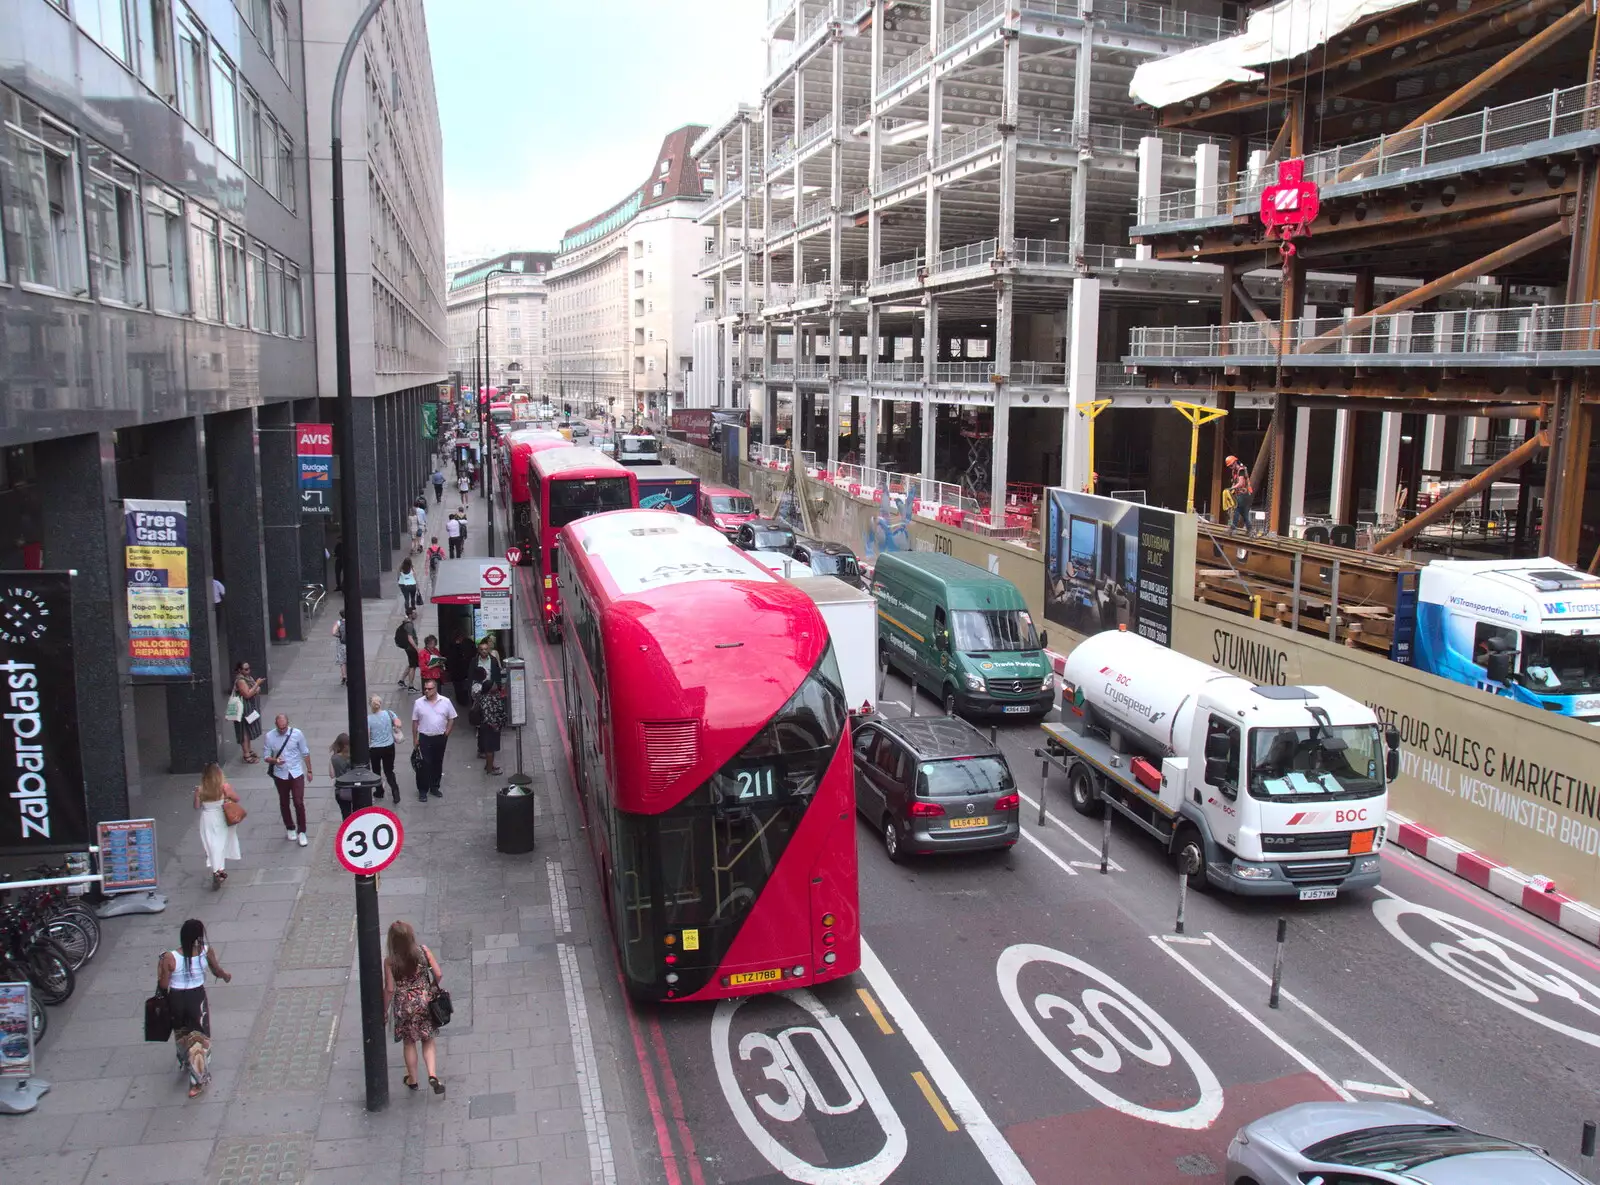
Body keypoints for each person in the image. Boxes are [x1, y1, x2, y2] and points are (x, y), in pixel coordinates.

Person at [156, 919, 231, 1098]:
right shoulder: (206, 951)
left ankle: (184, 1059)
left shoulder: (169, 957)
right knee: (198, 1039)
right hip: (197, 999)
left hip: (176, 999)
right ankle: (197, 1082)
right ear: (199, 937)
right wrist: (226, 976)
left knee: (181, 1033)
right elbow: (217, 971)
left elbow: (163, 983)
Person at [382, 920, 445, 1095]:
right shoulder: (423, 952)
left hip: (404, 1005)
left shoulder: (390, 962)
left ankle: (413, 1080)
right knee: (428, 1039)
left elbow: (389, 989)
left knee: (409, 1042)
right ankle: (432, 1075)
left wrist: (384, 1010)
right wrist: (431, 988)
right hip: (423, 1000)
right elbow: (439, 974)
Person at [262, 713, 313, 847]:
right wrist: (274, 760)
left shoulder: (297, 734)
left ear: (288, 724)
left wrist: (309, 770)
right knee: (284, 801)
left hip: (296, 772)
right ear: (276, 725)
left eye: (284, 727)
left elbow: (305, 752)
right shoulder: (270, 737)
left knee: (298, 801)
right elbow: (266, 756)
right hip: (280, 774)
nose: (282, 730)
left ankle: (302, 831)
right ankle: (290, 827)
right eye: (280, 728)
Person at [194, 763, 241, 888]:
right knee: (220, 844)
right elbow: (237, 799)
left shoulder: (200, 789)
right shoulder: (224, 787)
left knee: (211, 844)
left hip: (207, 818)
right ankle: (219, 870)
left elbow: (197, 806)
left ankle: (217, 870)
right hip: (220, 817)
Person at [411, 678, 457, 802]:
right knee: (424, 765)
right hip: (425, 737)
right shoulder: (419, 703)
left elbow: (452, 718)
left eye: (429, 689)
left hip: (440, 737)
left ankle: (434, 787)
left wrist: (446, 733)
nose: (426, 691)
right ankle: (422, 790)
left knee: (437, 763)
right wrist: (415, 739)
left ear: (435, 689)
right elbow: (415, 722)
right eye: (425, 689)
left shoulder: (445, 702)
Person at [472, 638, 506, 776]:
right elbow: (493, 714)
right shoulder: (489, 700)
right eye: (493, 685)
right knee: (490, 749)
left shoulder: (485, 697)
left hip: (487, 726)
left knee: (489, 748)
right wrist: (498, 724)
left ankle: (488, 765)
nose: (495, 686)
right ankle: (490, 769)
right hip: (491, 727)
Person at [366, 693, 404, 804]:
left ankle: (379, 791)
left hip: (375, 749)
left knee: (376, 771)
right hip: (389, 746)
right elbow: (398, 724)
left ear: (370, 705)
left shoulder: (368, 719)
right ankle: (395, 793)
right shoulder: (389, 713)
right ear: (380, 703)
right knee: (389, 770)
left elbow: (368, 736)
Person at [231, 662, 265, 764]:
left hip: (249, 707)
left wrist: (255, 687)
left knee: (248, 730)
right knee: (244, 731)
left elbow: (256, 690)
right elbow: (247, 694)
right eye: (245, 669)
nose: (248, 671)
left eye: (249, 668)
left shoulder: (248, 678)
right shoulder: (240, 680)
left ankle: (248, 750)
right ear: (240, 670)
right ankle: (246, 754)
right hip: (243, 709)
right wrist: (257, 685)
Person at [1226, 454, 1255, 535]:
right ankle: (1251, 530)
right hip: (1240, 494)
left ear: (1235, 462)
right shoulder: (1234, 471)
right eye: (1229, 466)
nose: (1230, 467)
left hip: (1244, 494)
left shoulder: (1241, 470)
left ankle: (1233, 528)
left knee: (1237, 509)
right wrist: (1231, 489)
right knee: (1244, 513)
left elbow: (1241, 483)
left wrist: (1232, 488)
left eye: (1231, 465)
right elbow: (1235, 482)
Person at [330, 733, 354, 821]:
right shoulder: (354, 756)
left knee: (346, 815)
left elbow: (332, 775)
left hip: (341, 791)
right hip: (354, 789)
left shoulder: (334, 758)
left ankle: (347, 831)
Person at [395, 609, 420, 692]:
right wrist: (417, 648)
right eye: (414, 613)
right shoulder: (409, 625)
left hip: (408, 648)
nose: (416, 614)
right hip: (411, 648)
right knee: (413, 666)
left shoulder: (407, 622)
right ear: (410, 615)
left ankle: (401, 680)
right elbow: (410, 638)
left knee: (411, 664)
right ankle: (411, 686)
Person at [331, 610, 348, 686]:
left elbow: (333, 632)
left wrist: (340, 636)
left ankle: (344, 676)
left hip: (342, 644)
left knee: (342, 661)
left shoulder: (339, 622)